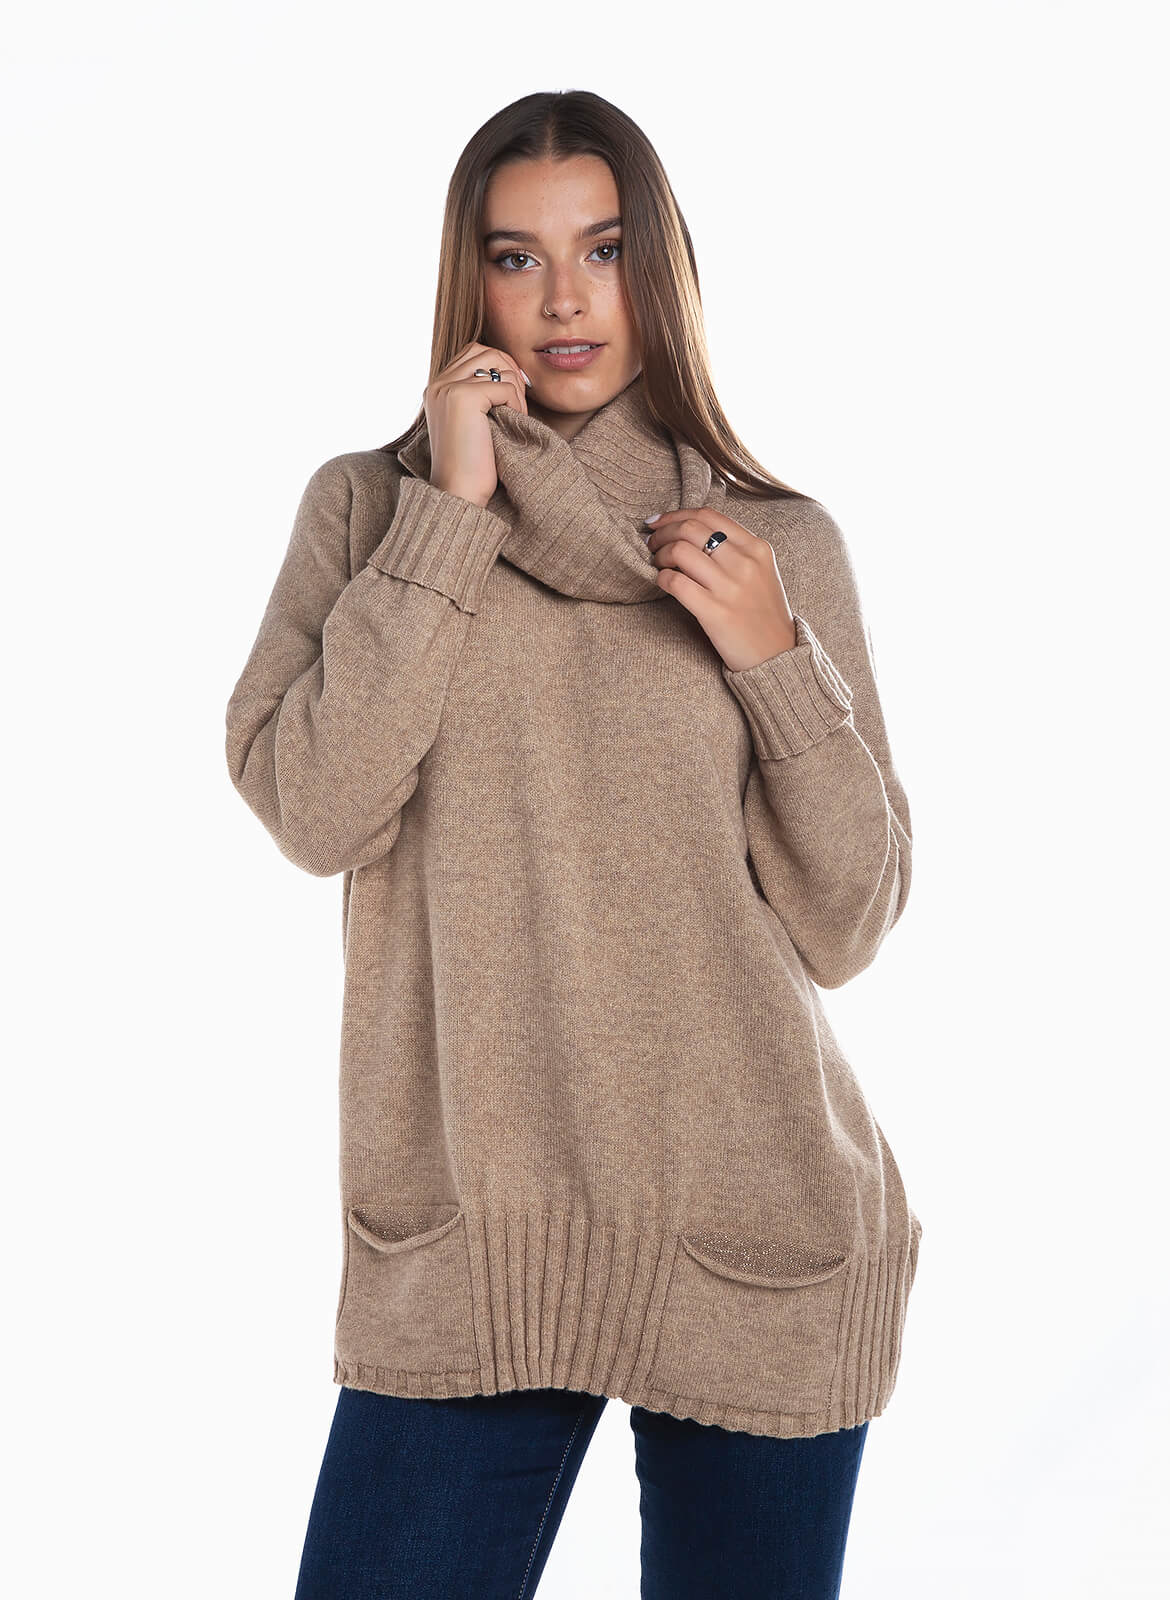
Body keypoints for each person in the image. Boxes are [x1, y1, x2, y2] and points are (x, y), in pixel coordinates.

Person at [225, 89, 922, 1600]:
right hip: (475, 1245)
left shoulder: (774, 542)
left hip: (756, 1232)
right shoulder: (371, 511)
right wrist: (447, 518)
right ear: (467, 281)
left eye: (603, 251)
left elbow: (849, 919)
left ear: (660, 269)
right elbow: (315, 809)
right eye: (517, 256)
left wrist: (773, 659)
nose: (564, 300)